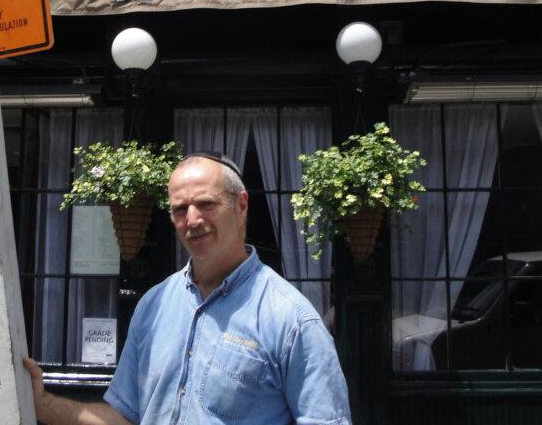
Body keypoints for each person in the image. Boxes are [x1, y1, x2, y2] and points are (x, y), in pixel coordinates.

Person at [22, 151, 352, 425]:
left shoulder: (292, 319)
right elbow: (125, 418)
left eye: (206, 204)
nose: (192, 220)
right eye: (180, 209)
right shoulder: (153, 305)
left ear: (241, 206)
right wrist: (42, 403)